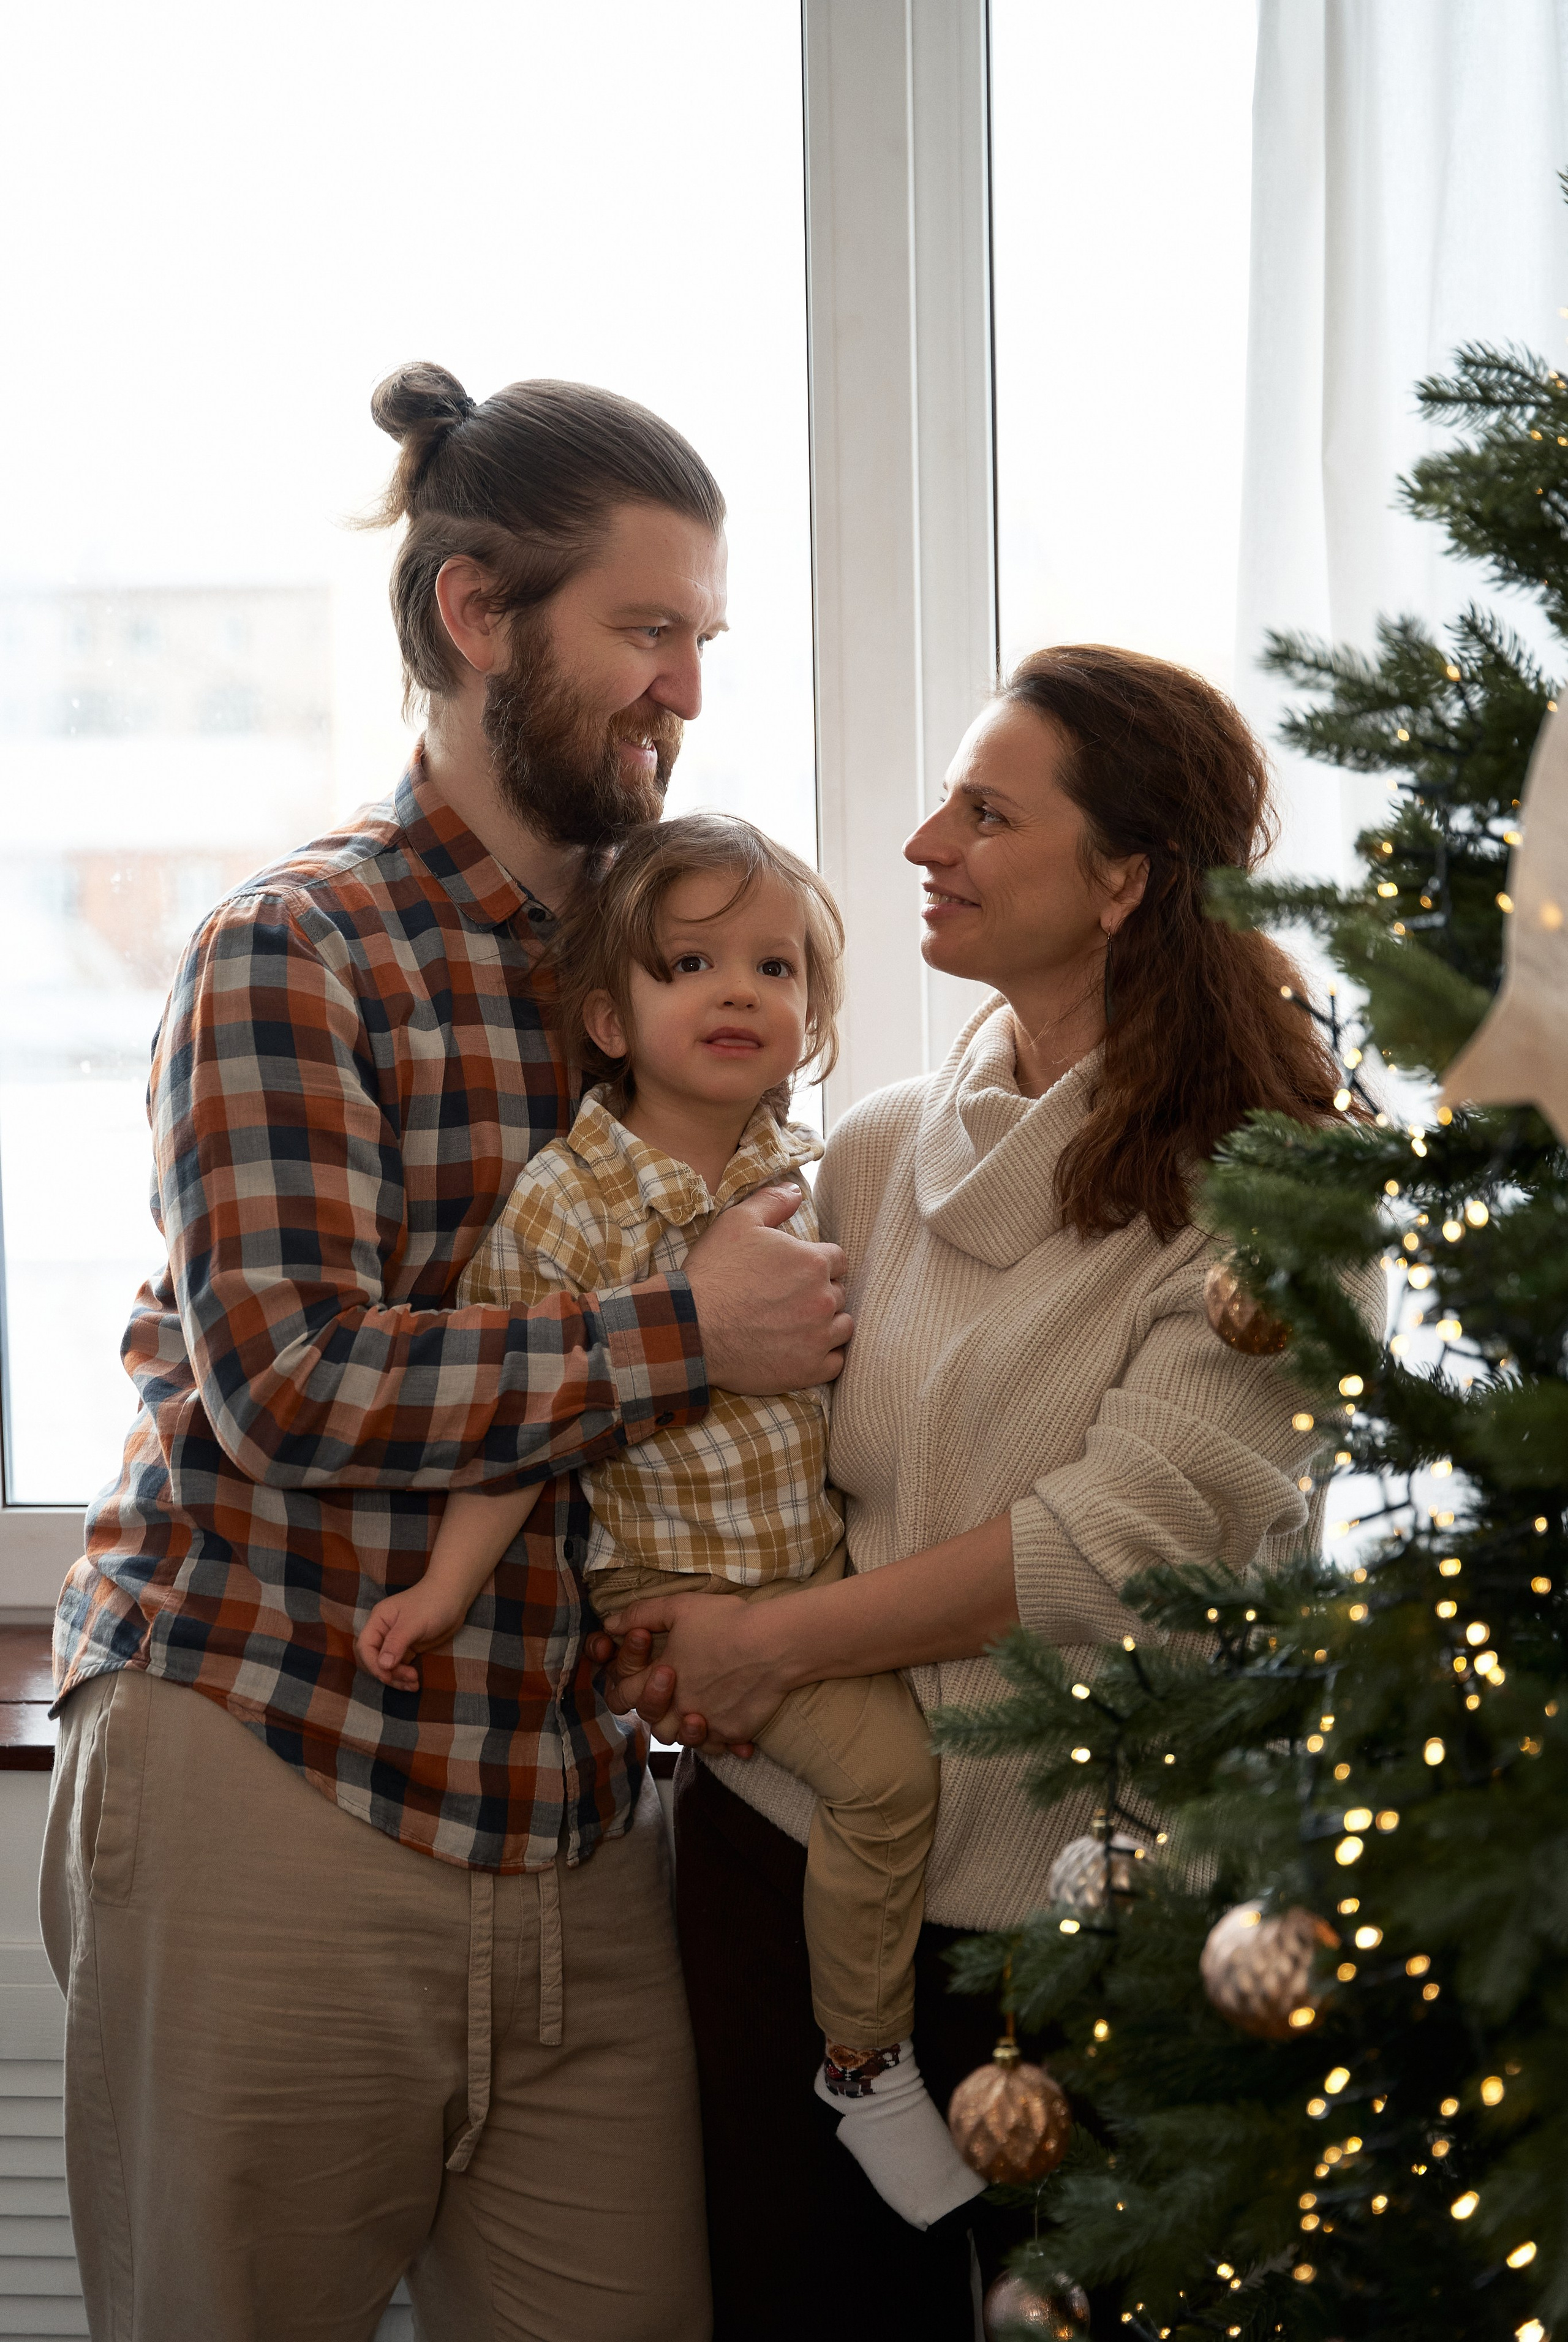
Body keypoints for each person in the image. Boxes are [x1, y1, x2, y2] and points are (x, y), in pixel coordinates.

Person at [40, 363, 851, 2342]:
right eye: (647, 633)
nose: (688, 693)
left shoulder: (683, 969)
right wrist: (679, 1329)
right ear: (478, 615)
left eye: (705, 641)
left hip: (576, 1832)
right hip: (278, 1770)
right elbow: (296, 1385)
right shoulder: (294, 955)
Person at [596, 644, 1355, 2340]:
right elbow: (722, 1432)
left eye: (987, 811)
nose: (927, 839)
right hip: (789, 1867)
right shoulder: (870, 1147)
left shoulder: (1277, 1188)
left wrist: (766, 1645)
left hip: (1090, 1915)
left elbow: (1112, 1546)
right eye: (945, 796)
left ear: (1125, 882)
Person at [356, 811, 981, 2232]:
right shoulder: (570, 1205)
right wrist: (445, 1594)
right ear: (607, 1015)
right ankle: (863, 2063)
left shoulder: (798, 1166)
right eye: (690, 962)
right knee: (890, 1783)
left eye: (772, 967)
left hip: (805, 1563)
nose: (736, 993)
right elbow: (514, 1425)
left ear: (813, 1012)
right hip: (683, 1583)